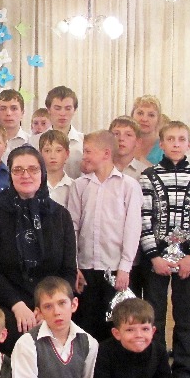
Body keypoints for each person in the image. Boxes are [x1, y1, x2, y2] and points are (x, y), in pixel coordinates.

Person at [0, 146, 76, 354]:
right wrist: (17, 305)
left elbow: (68, 270)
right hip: (7, 303)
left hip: (51, 304)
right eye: (18, 170)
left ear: (42, 172)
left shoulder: (60, 216)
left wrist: (47, 307)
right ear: (10, 174)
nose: (26, 175)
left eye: (32, 169)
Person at [140, 121, 190, 378]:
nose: (176, 144)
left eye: (182, 139)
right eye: (170, 139)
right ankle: (156, 372)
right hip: (156, 257)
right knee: (155, 315)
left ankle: (183, 373)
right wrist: (153, 256)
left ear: (189, 144)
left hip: (188, 258)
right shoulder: (148, 176)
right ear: (162, 144)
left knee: (186, 317)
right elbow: (144, 219)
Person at [68, 131, 142, 342]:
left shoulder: (128, 186)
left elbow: (132, 228)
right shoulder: (80, 185)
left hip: (116, 268)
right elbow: (72, 227)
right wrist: (74, 265)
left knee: (115, 325)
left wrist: (125, 266)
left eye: (88, 152)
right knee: (87, 323)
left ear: (106, 153)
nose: (84, 157)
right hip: (86, 268)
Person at [29, 86, 83, 179]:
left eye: (68, 108)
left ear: (74, 110)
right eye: (57, 108)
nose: (62, 113)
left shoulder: (84, 142)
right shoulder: (34, 142)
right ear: (49, 110)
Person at [39, 130, 73, 208]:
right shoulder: (33, 184)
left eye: (58, 150)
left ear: (67, 154)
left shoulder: (74, 187)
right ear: (40, 154)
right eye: (47, 151)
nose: (53, 156)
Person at [109, 116, 148, 181]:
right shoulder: (99, 169)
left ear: (138, 142)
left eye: (128, 135)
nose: (121, 138)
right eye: (116, 134)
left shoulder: (145, 172)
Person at [0, 89, 29, 159]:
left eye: (14, 108)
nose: (8, 113)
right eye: (3, 109)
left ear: (22, 113)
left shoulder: (31, 142)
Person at [131, 95, 164, 166]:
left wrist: (140, 159)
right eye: (140, 113)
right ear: (132, 116)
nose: (144, 119)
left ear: (158, 120)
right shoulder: (121, 143)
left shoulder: (165, 147)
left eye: (151, 115)